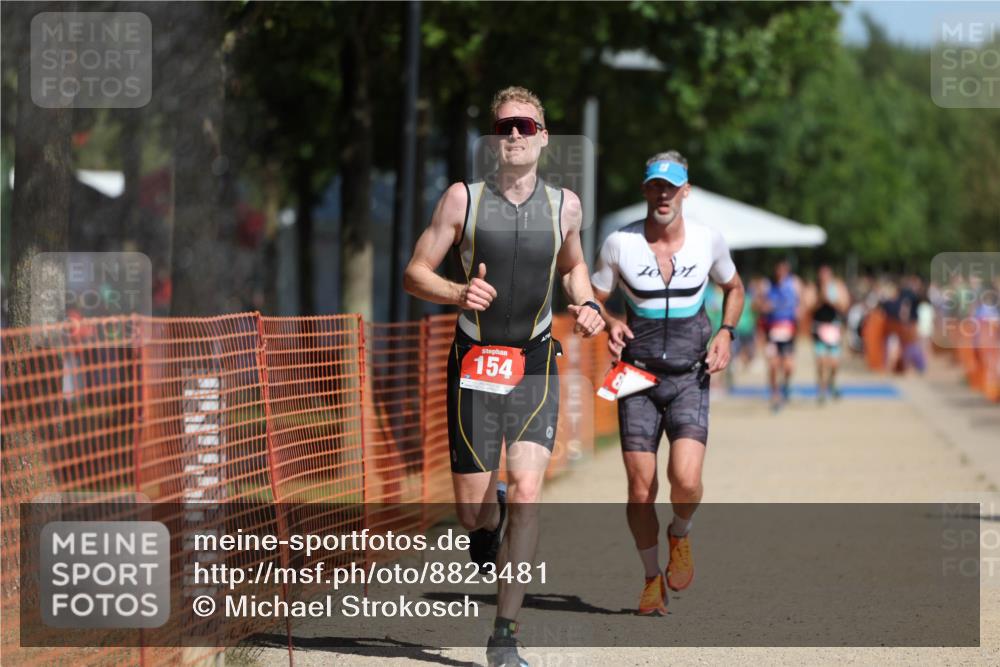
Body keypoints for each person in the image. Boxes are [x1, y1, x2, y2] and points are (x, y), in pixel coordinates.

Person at [403, 86, 604, 667]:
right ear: (493, 141)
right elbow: (415, 272)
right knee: (472, 513)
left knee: (528, 492)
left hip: (535, 360)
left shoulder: (565, 206)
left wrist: (588, 302)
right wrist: (457, 292)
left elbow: (573, 265)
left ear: (543, 137)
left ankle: (505, 634)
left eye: (525, 126)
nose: (514, 134)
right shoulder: (461, 200)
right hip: (474, 361)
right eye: (504, 127)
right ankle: (485, 520)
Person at [590, 150, 744, 616]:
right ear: (645, 190)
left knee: (686, 480)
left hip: (689, 376)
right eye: (656, 186)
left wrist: (726, 331)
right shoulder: (619, 243)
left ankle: (680, 531)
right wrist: (609, 321)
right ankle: (651, 578)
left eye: (671, 187)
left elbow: (734, 288)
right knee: (641, 489)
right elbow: (591, 298)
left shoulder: (707, 240)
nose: (663, 195)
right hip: (635, 377)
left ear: (685, 192)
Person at [755, 260, 801, 412]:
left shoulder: (794, 284)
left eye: (784, 270)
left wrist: (799, 312)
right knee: (773, 365)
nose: (781, 273)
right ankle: (775, 395)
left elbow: (802, 303)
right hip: (772, 332)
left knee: (788, 367)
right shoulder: (767, 285)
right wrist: (763, 306)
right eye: (778, 269)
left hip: (788, 331)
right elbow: (757, 305)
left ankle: (785, 385)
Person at [808, 265, 850, 403]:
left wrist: (831, 301)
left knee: (834, 363)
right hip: (819, 327)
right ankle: (821, 389)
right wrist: (821, 299)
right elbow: (808, 307)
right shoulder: (814, 288)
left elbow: (844, 306)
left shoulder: (838, 287)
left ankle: (832, 382)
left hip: (833, 327)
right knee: (821, 362)